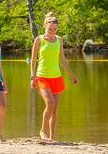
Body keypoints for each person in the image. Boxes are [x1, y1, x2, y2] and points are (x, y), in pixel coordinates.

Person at [30, 13, 78, 141]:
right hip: (42, 77)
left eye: (54, 29)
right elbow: (33, 59)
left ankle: (52, 137)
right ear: (45, 27)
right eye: (49, 29)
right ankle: (42, 131)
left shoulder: (59, 40)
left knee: (54, 109)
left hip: (56, 77)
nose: (52, 31)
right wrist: (32, 77)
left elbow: (62, 59)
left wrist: (71, 75)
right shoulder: (39, 40)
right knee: (50, 104)